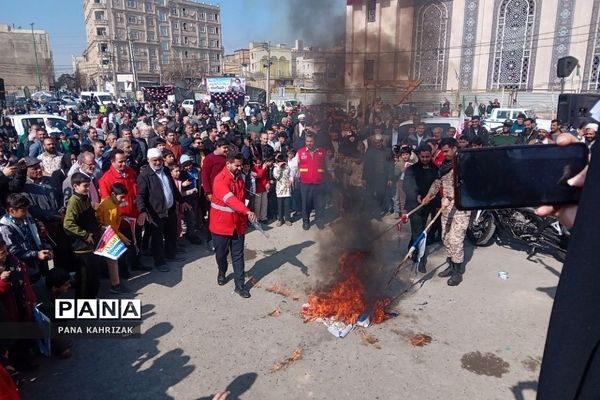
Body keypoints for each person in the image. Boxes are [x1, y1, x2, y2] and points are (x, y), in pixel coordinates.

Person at [422, 138, 470, 285]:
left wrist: (455, 198)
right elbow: (437, 183)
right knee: (446, 237)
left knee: (456, 239)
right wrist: (428, 196)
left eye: (447, 151)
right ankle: (451, 264)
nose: (444, 154)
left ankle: (457, 271)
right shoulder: (445, 165)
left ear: (455, 148)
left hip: (462, 207)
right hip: (446, 206)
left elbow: (470, 186)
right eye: (442, 151)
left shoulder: (464, 164)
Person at [209, 152, 257, 298]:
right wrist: (247, 210)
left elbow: (242, 199)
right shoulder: (220, 180)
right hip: (221, 226)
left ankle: (240, 285)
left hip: (238, 225)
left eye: (240, 165)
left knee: (238, 256)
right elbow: (230, 199)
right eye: (236, 165)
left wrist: (245, 213)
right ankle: (222, 270)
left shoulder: (240, 179)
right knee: (221, 254)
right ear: (228, 164)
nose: (239, 167)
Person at [136, 148, 187, 272]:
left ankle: (170, 255)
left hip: (169, 209)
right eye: (155, 160)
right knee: (157, 238)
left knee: (171, 233)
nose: (158, 163)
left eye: (159, 160)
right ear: (148, 160)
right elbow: (140, 195)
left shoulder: (165, 170)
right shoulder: (144, 175)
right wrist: (142, 211)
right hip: (156, 212)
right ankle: (159, 262)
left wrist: (181, 201)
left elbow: (173, 188)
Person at [63, 172, 103, 298]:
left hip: (91, 244)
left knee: (94, 274)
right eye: (85, 186)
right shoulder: (74, 201)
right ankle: (82, 303)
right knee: (84, 277)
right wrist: (85, 235)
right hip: (81, 247)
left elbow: (90, 218)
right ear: (75, 186)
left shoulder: (85, 198)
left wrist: (100, 227)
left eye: (88, 186)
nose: (87, 189)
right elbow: (68, 224)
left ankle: (91, 298)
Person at [0, 194, 53, 284]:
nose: (27, 212)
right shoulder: (5, 227)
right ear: (12, 210)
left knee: (49, 281)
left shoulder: (28, 218)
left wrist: (48, 249)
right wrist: (36, 254)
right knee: (35, 289)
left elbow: (40, 235)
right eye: (23, 210)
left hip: (40, 259)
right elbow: (13, 251)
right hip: (24, 267)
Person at [403, 146, 439, 272]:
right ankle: (420, 258)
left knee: (420, 229)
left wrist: (433, 201)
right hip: (414, 205)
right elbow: (406, 186)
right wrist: (417, 195)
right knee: (419, 233)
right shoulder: (411, 169)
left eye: (427, 157)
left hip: (428, 205)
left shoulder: (436, 169)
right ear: (418, 156)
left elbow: (437, 187)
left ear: (431, 155)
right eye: (422, 157)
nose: (425, 159)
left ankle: (410, 248)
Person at [95, 183, 133, 294]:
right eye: (121, 197)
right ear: (113, 194)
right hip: (106, 236)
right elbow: (109, 227)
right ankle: (115, 285)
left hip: (108, 234)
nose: (123, 200)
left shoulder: (112, 203)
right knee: (112, 259)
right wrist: (122, 237)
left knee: (112, 259)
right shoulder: (108, 207)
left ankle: (115, 282)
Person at [296, 134, 328, 230]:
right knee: (306, 203)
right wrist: (293, 178)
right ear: (305, 142)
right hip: (305, 183)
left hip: (319, 182)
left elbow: (328, 165)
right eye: (307, 141)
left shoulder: (322, 152)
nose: (309, 143)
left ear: (315, 142)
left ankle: (319, 221)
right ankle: (306, 221)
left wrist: (331, 175)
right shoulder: (300, 152)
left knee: (320, 203)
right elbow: (295, 166)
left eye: (311, 141)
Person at [272, 153, 292, 226]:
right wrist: (279, 168)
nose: (282, 163)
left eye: (283, 161)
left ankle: (287, 219)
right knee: (280, 205)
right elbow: (276, 177)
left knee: (287, 204)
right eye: (280, 161)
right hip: (279, 189)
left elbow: (289, 175)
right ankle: (280, 219)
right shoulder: (275, 168)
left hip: (287, 188)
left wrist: (290, 181)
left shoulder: (287, 167)